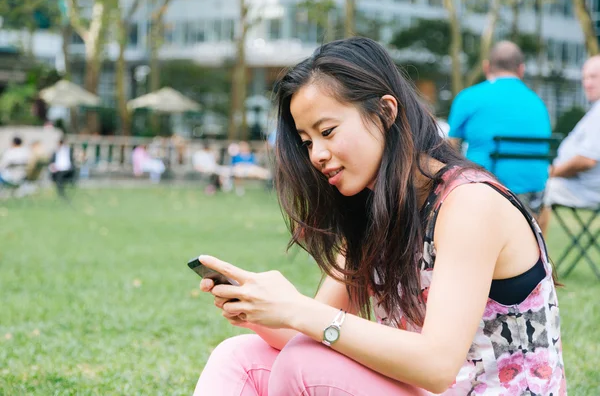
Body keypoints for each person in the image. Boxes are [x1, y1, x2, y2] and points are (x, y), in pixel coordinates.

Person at [193, 37, 566, 395]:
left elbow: (437, 365)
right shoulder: (376, 212)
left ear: (386, 111)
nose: (316, 155)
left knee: (301, 364)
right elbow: (307, 330)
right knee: (238, 357)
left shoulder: (468, 203)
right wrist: (263, 309)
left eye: (327, 131)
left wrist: (297, 308)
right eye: (307, 142)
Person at [448, 41, 552, 217]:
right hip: (531, 197)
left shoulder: (468, 97)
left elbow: (450, 148)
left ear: (486, 67)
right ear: (521, 69)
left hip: (483, 189)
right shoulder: (538, 103)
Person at [538, 55, 600, 234]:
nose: (587, 83)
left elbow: (587, 160)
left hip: (586, 189)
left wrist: (552, 172)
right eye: (584, 78)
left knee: (537, 188)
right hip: (580, 185)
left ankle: (535, 255)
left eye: (594, 77)